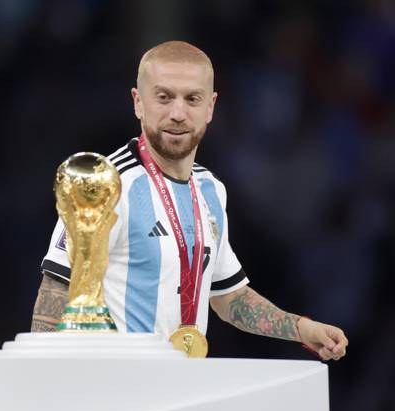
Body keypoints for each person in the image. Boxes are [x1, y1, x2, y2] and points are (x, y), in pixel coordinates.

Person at [32, 40, 348, 361]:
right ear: (138, 102)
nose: (178, 114)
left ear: (210, 107)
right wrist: (42, 382)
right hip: (120, 386)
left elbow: (230, 298)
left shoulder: (211, 190)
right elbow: (56, 291)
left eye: (192, 99)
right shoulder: (105, 186)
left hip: (184, 382)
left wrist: (301, 329)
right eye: (164, 97)